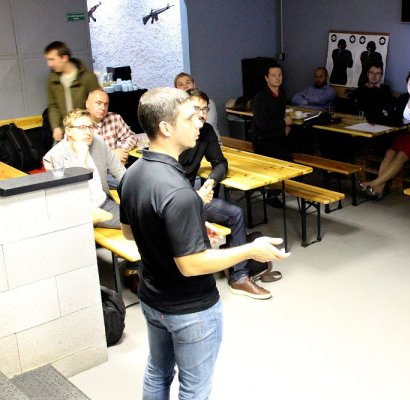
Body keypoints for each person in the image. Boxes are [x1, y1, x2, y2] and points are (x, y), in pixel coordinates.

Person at [118, 87, 289, 399]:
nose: (200, 122)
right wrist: (251, 249)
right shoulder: (179, 191)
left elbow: (129, 231)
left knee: (157, 373)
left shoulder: (133, 174)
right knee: (194, 389)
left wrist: (184, 229)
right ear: (166, 127)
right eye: (190, 117)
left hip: (152, 299)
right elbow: (191, 265)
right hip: (188, 309)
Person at [179, 89, 273, 299]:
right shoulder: (177, 133)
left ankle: (239, 276)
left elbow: (220, 162)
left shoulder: (206, 131)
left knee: (235, 213)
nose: (202, 113)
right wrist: (191, 198)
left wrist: (210, 181)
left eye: (205, 109)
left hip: (198, 197)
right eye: (196, 108)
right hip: (176, 200)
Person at [360, 71, 410, 199]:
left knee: (401, 155)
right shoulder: (403, 98)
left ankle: (374, 184)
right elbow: (394, 116)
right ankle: (379, 189)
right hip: (405, 134)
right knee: (389, 153)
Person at [42, 109, 125, 229]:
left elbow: (120, 172)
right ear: (68, 131)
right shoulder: (53, 158)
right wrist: (82, 158)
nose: (88, 132)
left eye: (90, 127)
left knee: (138, 221)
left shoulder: (98, 142)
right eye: (81, 128)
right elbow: (70, 195)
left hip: (103, 204)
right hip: (77, 213)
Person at [45, 41, 100, 142]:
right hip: (65, 132)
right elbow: (53, 106)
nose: (49, 64)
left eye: (52, 59)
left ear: (64, 58)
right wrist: (56, 127)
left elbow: (98, 104)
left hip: (86, 131)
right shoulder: (52, 79)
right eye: (48, 60)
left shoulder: (88, 78)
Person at [249, 62, 293, 162]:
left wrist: (286, 125)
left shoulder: (282, 93)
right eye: (273, 75)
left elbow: (278, 114)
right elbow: (262, 125)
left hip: (278, 135)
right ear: (266, 78)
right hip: (263, 140)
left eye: (279, 75)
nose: (277, 78)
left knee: (305, 146)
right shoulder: (260, 98)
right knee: (287, 159)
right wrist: (284, 122)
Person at [86, 89, 138, 165]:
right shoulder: (79, 124)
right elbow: (80, 155)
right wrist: (111, 155)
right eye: (98, 103)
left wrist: (122, 151)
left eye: (106, 104)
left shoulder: (114, 118)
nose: (103, 108)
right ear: (87, 104)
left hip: (116, 167)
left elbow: (131, 137)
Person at [174, 72, 220, 137]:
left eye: (188, 82)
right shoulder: (176, 106)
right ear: (176, 90)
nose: (185, 86)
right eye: (181, 84)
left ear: (194, 85)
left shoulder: (207, 103)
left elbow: (201, 125)